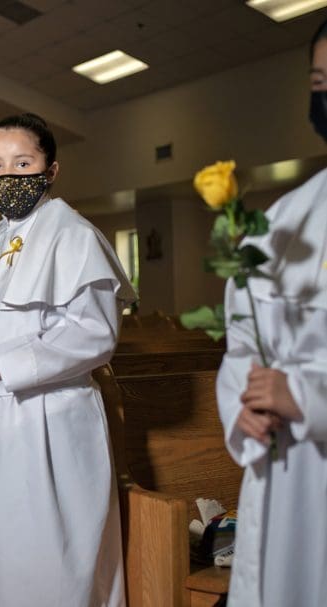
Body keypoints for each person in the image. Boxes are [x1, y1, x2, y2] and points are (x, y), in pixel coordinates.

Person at [0, 113, 135, 607]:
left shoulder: (74, 236)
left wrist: (3, 361)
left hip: (48, 420)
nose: (7, 176)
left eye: (22, 162)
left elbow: (95, 334)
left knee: (48, 559)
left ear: (50, 170)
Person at [215, 22, 327, 606]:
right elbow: (242, 348)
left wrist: (308, 397)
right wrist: (245, 405)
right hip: (286, 472)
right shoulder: (282, 220)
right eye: (320, 82)